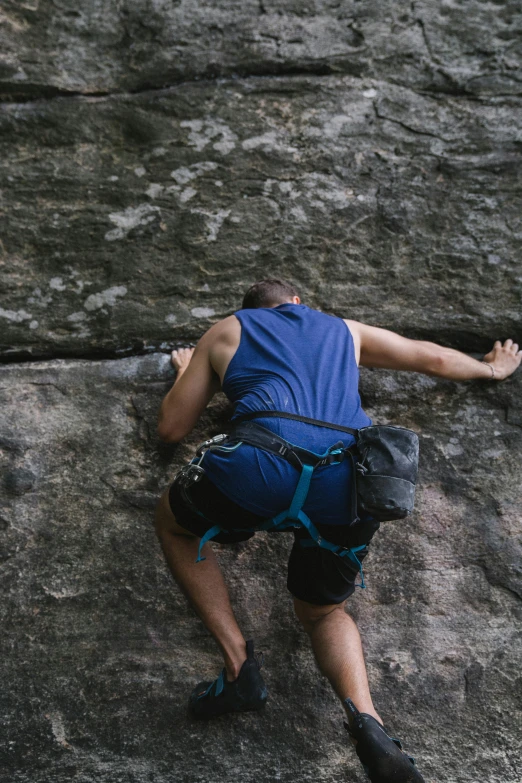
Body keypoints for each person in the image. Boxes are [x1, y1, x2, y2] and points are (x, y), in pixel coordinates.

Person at [154, 278, 521, 783]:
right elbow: (430, 358)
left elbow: (171, 427)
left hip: (259, 469)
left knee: (174, 525)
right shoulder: (345, 330)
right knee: (325, 610)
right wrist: (490, 368)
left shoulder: (226, 331)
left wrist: (192, 372)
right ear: (300, 303)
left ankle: (239, 668)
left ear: (250, 311)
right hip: (346, 483)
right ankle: (370, 724)